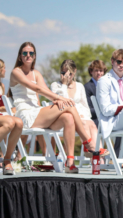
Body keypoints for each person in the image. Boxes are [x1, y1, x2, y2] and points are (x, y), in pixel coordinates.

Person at [9, 42, 99, 174]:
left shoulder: (37, 73)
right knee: (69, 104)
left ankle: (70, 162)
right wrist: (61, 99)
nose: (28, 55)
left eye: (31, 53)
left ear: (34, 56)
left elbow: (47, 92)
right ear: (20, 56)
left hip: (38, 113)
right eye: (25, 53)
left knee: (68, 117)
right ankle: (87, 141)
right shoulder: (16, 72)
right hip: (26, 115)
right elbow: (37, 89)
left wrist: (57, 99)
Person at [51, 59, 109, 163]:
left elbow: (86, 107)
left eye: (70, 73)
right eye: (64, 73)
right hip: (65, 117)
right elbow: (62, 101)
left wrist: (84, 116)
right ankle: (91, 148)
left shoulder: (80, 86)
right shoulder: (56, 85)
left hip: (82, 117)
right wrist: (64, 84)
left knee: (91, 123)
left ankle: (97, 150)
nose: (67, 76)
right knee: (84, 123)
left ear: (74, 72)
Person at [85, 60, 107, 127]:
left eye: (101, 70)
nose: (99, 73)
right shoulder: (87, 87)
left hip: (109, 118)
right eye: (96, 70)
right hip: (95, 119)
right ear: (91, 71)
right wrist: (103, 110)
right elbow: (88, 109)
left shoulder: (108, 85)